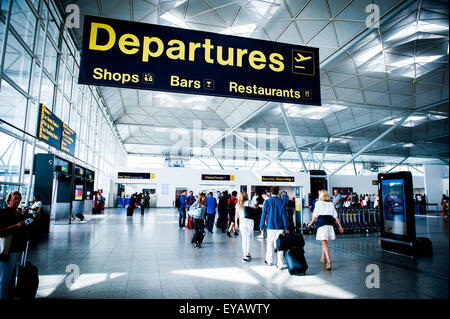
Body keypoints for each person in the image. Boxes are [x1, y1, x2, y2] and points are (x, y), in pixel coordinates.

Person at [0, 191, 34, 299]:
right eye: (15, 199)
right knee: (5, 277)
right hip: (8, 249)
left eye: (19, 199)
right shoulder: (4, 213)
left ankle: (8, 295)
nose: (18, 201)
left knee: (10, 276)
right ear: (9, 200)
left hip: (17, 247)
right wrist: (16, 226)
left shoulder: (18, 213)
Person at [307, 190, 343, 271]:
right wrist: (340, 226)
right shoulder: (331, 204)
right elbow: (336, 216)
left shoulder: (318, 203)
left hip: (322, 223)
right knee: (324, 241)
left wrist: (310, 223)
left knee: (324, 242)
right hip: (330, 224)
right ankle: (323, 257)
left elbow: (315, 215)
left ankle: (329, 261)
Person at [260, 186, 289, 270]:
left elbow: (263, 215)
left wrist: (261, 226)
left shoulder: (267, 202)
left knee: (270, 244)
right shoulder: (282, 202)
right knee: (280, 245)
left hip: (270, 226)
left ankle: (269, 261)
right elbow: (284, 216)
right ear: (278, 192)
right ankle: (280, 264)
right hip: (280, 227)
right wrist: (286, 227)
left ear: (270, 193)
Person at [235, 192, 254, 262]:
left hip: (242, 222)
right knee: (248, 237)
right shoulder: (250, 202)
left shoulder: (238, 204)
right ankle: (248, 252)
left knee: (244, 239)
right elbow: (254, 210)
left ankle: (244, 256)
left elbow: (236, 215)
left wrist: (236, 223)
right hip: (250, 222)